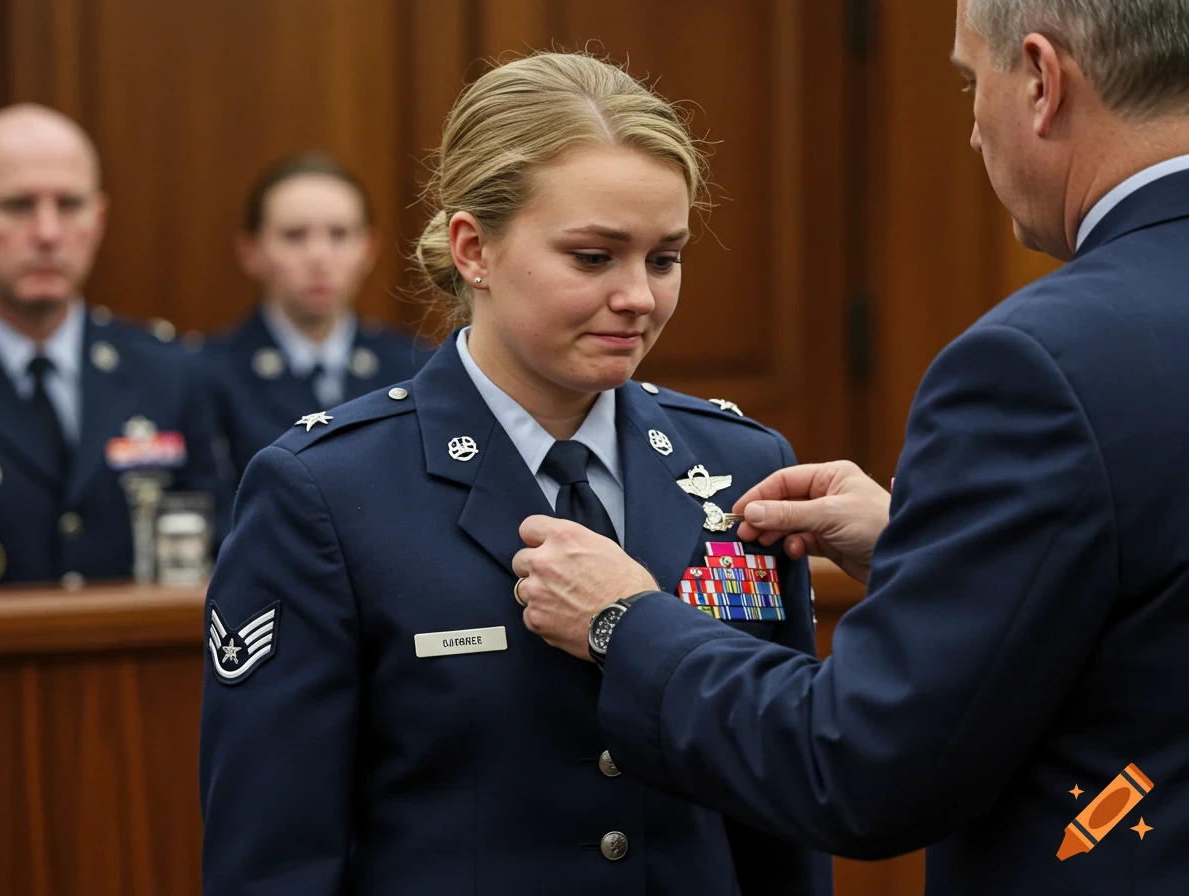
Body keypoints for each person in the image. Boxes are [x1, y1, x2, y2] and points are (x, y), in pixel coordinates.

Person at [513, 2, 1189, 893]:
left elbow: (862, 764)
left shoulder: (1040, 365)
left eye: (967, 82)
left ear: (1039, 79)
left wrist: (625, 624)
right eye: (594, 255)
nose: (973, 130)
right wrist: (933, 549)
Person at [200, 52, 829, 895]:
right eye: (594, 257)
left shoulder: (740, 466)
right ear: (474, 249)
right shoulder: (326, 492)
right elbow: (276, 858)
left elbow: (778, 820)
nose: (640, 296)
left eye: (665, 258)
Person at [0, 104, 228, 588]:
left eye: (70, 205)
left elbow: (221, 559)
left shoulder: (168, 373)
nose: (48, 234)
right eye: (17, 206)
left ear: (98, 220)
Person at [202, 154, 429, 486]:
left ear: (368, 250)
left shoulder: (415, 370)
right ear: (251, 252)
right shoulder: (210, 377)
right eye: (294, 235)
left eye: (339, 234)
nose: (318, 256)